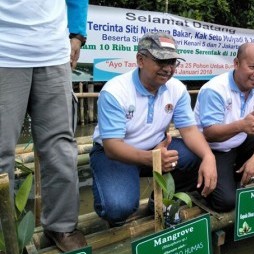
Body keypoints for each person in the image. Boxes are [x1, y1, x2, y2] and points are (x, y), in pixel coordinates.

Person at [90, 32, 217, 226]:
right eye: (160, 61)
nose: (168, 69)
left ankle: (157, 201)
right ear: (140, 60)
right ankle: (120, 209)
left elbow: (190, 131)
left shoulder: (177, 89)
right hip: (116, 155)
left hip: (156, 149)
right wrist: (151, 159)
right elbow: (112, 146)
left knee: (198, 156)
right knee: (117, 207)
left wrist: (209, 157)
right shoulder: (115, 91)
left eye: (173, 62)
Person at [0, 0, 88, 254]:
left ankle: (61, 227)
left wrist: (77, 34)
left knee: (60, 147)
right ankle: (2, 240)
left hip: (53, 52)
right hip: (4, 51)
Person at [194, 42, 254, 212]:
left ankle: (235, 175)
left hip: (238, 142)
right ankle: (209, 181)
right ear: (236, 63)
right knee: (226, 202)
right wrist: (241, 126)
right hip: (212, 149)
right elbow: (210, 134)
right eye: (253, 67)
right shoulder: (216, 89)